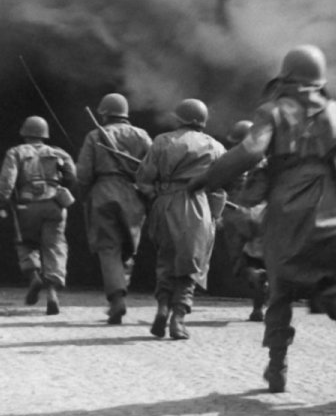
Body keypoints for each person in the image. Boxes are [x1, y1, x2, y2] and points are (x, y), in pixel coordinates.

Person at [196, 45, 336, 394]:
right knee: (329, 277)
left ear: (286, 77)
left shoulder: (274, 112)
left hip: (286, 212)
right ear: (319, 80)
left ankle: (277, 366)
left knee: (281, 292)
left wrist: (209, 178)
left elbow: (251, 151)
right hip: (334, 212)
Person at [134, 99, 226, 340]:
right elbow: (221, 187)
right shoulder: (215, 147)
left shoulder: (162, 141)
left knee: (166, 259)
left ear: (179, 118)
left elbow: (143, 178)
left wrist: (157, 196)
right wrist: (215, 214)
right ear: (202, 120)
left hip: (165, 203)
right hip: (198, 205)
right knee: (190, 265)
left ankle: (162, 307)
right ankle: (179, 319)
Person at [74, 93, 153, 325]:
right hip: (133, 195)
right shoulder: (142, 135)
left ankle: (116, 299)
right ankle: (119, 293)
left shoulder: (95, 135)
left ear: (105, 113)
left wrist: (86, 194)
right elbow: (153, 167)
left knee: (109, 248)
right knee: (128, 248)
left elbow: (83, 173)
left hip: (104, 192)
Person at [0, 116, 78, 316]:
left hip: (27, 206)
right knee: (55, 246)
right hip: (55, 205)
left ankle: (34, 277)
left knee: (25, 243)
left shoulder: (16, 152)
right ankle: (53, 294)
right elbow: (72, 177)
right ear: (44, 134)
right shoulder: (59, 152)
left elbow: (7, 179)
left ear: (25, 133)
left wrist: (0, 202)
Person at [210, 119, 271, 322]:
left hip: (236, 216)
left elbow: (217, 188)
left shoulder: (230, 161)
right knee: (262, 259)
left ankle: (255, 277)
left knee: (241, 263)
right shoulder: (268, 162)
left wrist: (216, 215)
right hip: (264, 216)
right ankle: (258, 308)